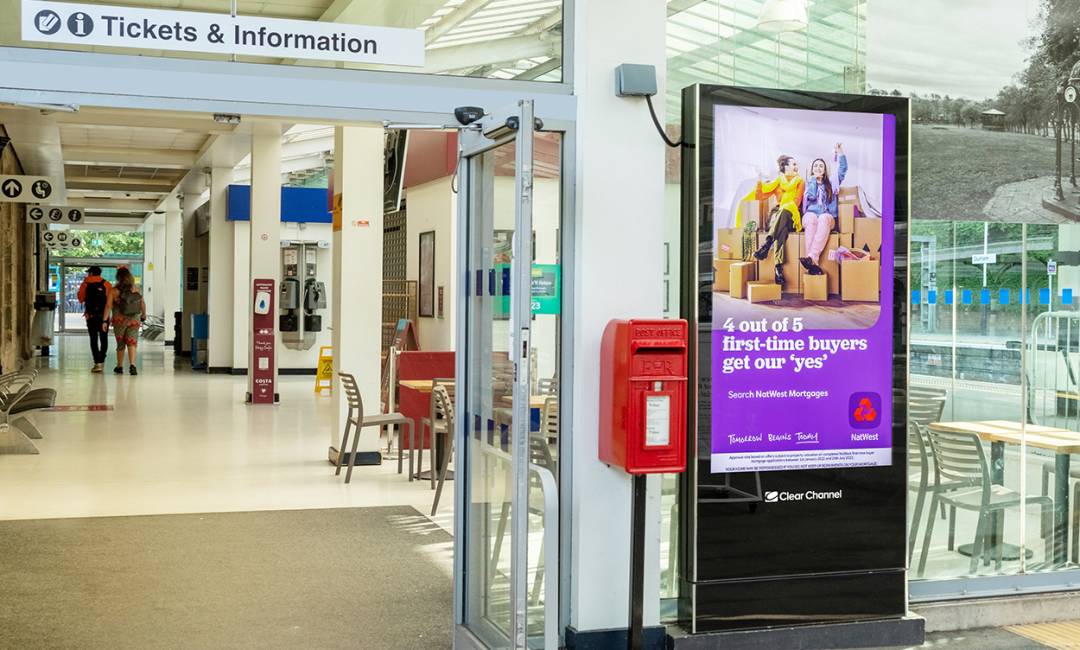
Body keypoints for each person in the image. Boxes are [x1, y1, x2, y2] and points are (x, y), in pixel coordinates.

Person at [748, 154, 806, 287]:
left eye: (796, 164)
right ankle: (778, 268)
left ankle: (766, 245)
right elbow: (762, 193)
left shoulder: (800, 181)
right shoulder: (779, 180)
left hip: (792, 216)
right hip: (778, 218)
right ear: (785, 167)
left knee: (785, 211)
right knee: (782, 231)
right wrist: (759, 178)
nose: (796, 167)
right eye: (794, 164)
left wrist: (784, 207)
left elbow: (796, 202)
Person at [800, 143, 848, 276]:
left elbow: (843, 169)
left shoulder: (832, 183)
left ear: (825, 169)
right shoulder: (808, 183)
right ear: (812, 170)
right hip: (811, 217)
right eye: (815, 165)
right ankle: (813, 262)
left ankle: (811, 256)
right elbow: (811, 195)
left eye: (821, 165)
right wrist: (814, 181)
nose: (818, 167)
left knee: (823, 217)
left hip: (827, 218)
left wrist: (840, 151)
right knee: (811, 217)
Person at [102, 267, 146, 376]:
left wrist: (104, 321)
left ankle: (120, 366)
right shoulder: (136, 289)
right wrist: (144, 315)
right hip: (134, 320)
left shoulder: (113, 291)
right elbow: (142, 303)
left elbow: (108, 306)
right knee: (132, 342)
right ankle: (132, 365)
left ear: (118, 278)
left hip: (119, 321)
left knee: (120, 343)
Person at [77, 266, 112, 373]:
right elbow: (109, 302)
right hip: (104, 317)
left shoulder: (85, 284)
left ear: (91, 273)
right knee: (103, 338)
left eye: (88, 273)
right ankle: (102, 360)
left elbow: (80, 299)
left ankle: (97, 362)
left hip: (91, 316)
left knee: (93, 339)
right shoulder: (106, 284)